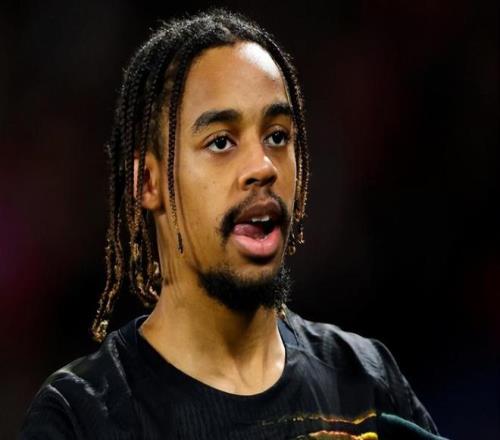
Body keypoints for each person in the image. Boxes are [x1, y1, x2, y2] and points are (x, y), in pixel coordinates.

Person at [21, 9, 445, 440]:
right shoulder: (83, 416)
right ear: (148, 182)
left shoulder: (366, 382)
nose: (263, 167)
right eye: (221, 142)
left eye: (277, 136)